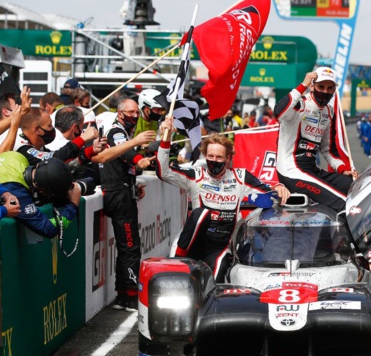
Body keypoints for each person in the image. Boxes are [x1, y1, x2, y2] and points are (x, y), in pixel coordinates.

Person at [156, 116, 290, 281]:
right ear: (205, 156)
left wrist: (278, 188)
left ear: (228, 158)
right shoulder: (195, 175)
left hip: (219, 247)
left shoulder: (240, 176)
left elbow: (270, 196)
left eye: (219, 157)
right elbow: (164, 172)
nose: (214, 161)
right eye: (210, 156)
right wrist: (165, 141)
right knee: (201, 213)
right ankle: (178, 260)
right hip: (192, 243)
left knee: (217, 278)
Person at [274, 68, 356, 212]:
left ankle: (330, 231)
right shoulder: (299, 105)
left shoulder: (329, 112)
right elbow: (278, 111)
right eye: (321, 86)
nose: (325, 91)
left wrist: (342, 169)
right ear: (312, 86)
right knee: (344, 204)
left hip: (312, 169)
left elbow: (328, 150)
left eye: (330, 88)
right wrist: (302, 85)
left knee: (354, 186)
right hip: (291, 171)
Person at [100, 98, 155, 312]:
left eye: (136, 112)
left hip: (122, 191)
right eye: (130, 112)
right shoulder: (117, 131)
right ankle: (130, 295)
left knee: (127, 248)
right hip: (118, 195)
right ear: (120, 113)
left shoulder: (123, 132)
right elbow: (126, 152)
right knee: (130, 247)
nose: (134, 115)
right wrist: (139, 159)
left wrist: (134, 181)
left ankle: (123, 295)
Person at [0, 151, 82, 239]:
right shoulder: (17, 194)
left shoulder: (16, 156)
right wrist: (72, 205)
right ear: (42, 190)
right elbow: (48, 228)